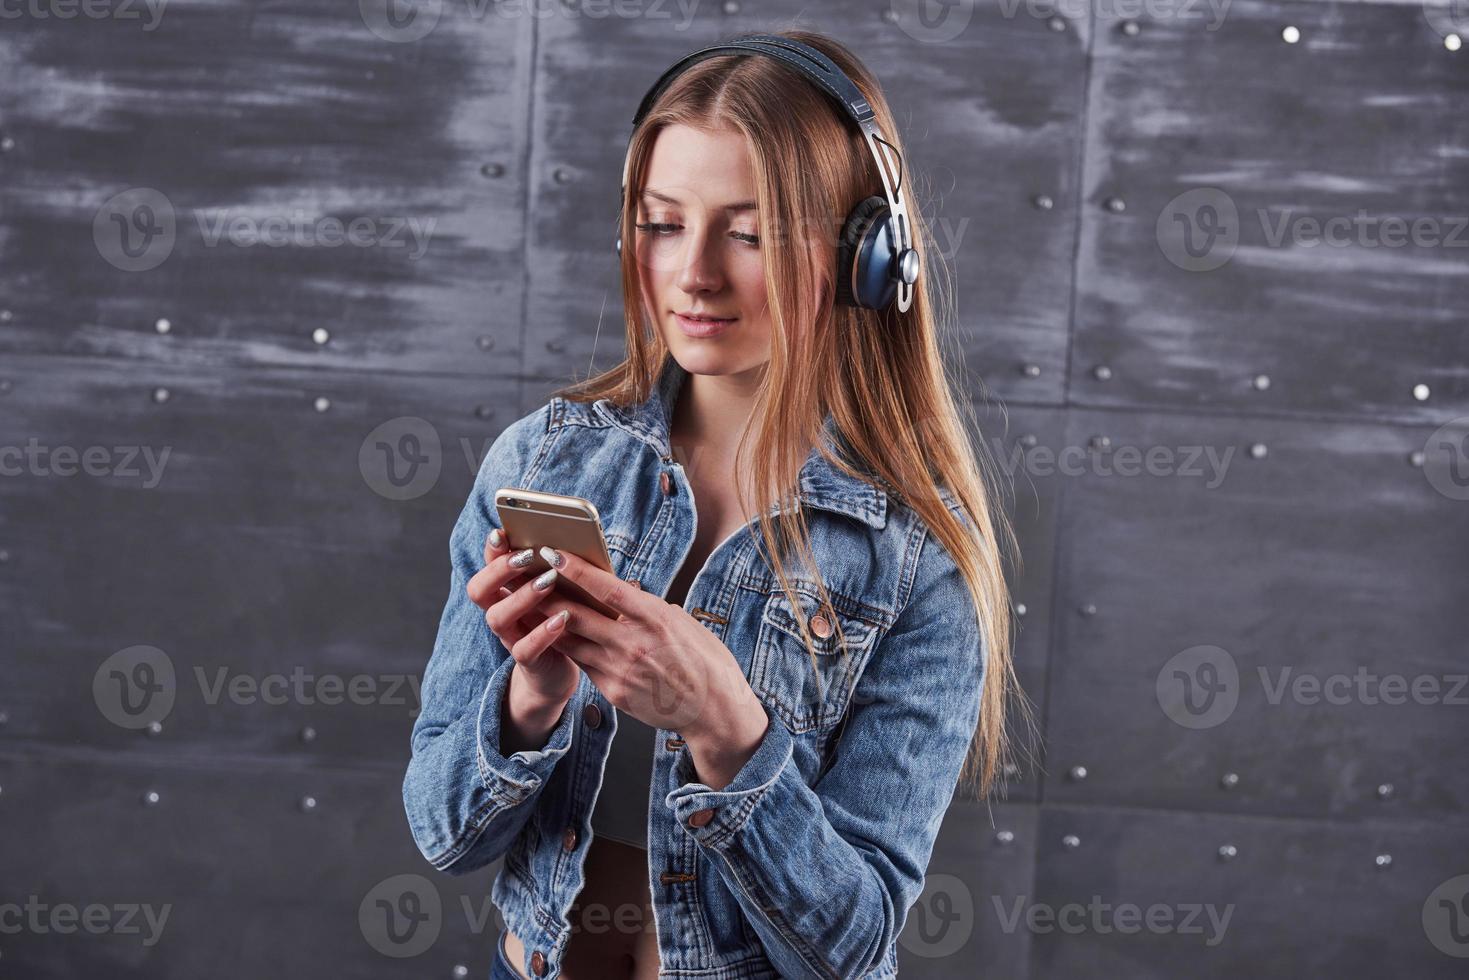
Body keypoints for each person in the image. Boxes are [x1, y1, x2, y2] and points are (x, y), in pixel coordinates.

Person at [404, 28, 1033, 980]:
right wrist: (529, 701)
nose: (695, 273)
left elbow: (852, 950)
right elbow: (441, 834)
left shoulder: (916, 554)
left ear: (864, 256)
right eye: (662, 223)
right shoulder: (544, 460)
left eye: (748, 233)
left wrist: (725, 728)